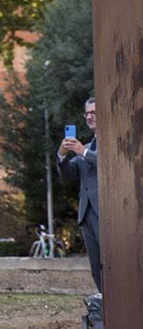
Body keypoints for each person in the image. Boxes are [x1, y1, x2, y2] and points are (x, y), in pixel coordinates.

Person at [58, 97, 101, 292]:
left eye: (94, 112)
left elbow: (107, 163)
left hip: (107, 214)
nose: (90, 117)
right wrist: (62, 155)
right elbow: (68, 175)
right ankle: (104, 307)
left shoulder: (111, 141)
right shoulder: (88, 146)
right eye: (88, 113)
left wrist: (82, 152)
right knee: (96, 267)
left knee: (112, 263)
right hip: (87, 214)